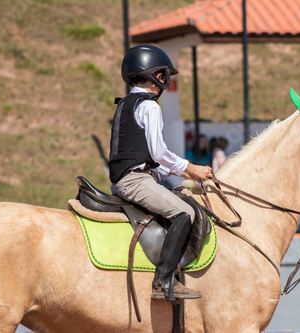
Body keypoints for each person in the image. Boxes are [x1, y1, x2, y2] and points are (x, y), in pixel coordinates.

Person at [108, 44, 213, 300]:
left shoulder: (126, 103)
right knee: (185, 212)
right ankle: (164, 281)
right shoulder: (150, 106)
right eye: (164, 74)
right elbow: (158, 153)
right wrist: (190, 167)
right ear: (157, 75)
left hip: (129, 178)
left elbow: (147, 158)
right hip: (135, 182)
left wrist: (184, 175)